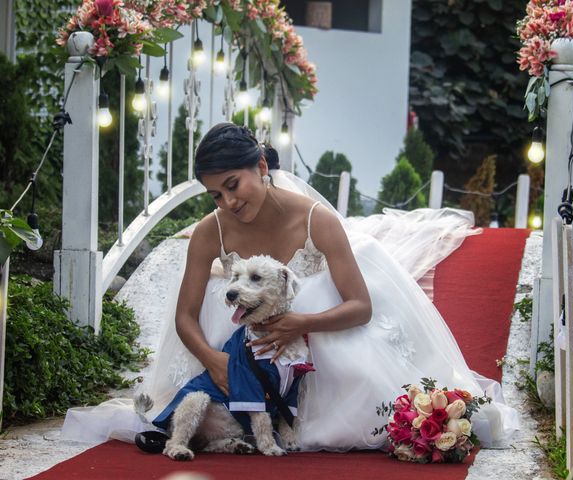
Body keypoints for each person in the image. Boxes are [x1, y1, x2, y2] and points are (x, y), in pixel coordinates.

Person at [63, 122, 518, 451]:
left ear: (261, 165)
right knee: (199, 392)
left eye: (233, 185)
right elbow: (184, 315)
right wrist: (215, 360)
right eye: (216, 194)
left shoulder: (316, 219)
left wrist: (300, 321)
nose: (228, 201)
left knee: (369, 401)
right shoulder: (209, 231)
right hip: (234, 336)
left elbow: (360, 306)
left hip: (313, 331)